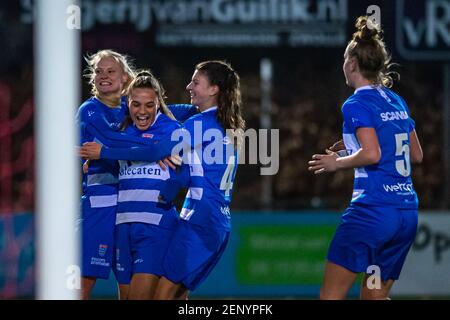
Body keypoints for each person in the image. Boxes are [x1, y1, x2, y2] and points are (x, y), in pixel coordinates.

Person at [80, 60, 246, 299]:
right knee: (175, 296)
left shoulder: (196, 124)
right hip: (208, 220)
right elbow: (191, 172)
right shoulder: (223, 127)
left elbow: (156, 150)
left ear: (214, 89)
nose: (189, 86)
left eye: (196, 82)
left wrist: (103, 153)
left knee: (162, 297)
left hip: (199, 219)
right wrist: (169, 184)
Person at [307, 16, 423, 300]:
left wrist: (337, 163)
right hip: (405, 213)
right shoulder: (395, 100)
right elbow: (416, 155)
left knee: (330, 295)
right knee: (374, 297)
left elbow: (372, 154)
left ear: (351, 64)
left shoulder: (356, 103)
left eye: (345, 59)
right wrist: (348, 151)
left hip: (372, 213)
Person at [77, 50, 197, 300]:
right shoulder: (90, 110)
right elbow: (113, 140)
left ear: (125, 78)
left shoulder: (129, 109)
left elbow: (169, 110)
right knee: (84, 278)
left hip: (129, 208)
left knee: (158, 289)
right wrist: (155, 151)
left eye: (111, 71)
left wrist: (202, 106)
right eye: (99, 71)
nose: (103, 76)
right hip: (102, 205)